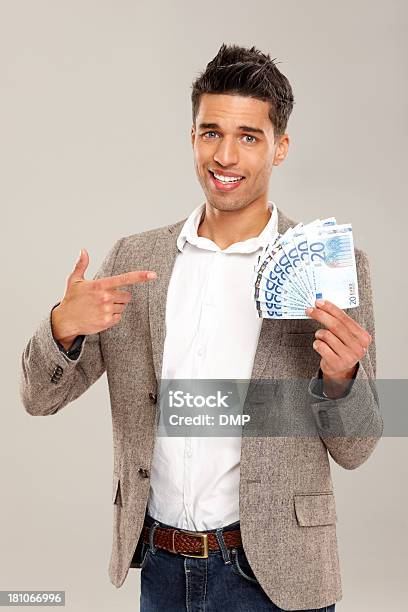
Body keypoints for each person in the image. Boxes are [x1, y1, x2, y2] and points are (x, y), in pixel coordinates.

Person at [20, 43, 383, 611]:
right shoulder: (135, 260)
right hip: (161, 569)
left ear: (280, 147)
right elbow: (38, 399)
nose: (226, 156)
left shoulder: (329, 269)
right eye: (211, 132)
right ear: (192, 138)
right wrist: (62, 328)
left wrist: (341, 380)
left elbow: (356, 447)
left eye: (248, 137)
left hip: (278, 575)